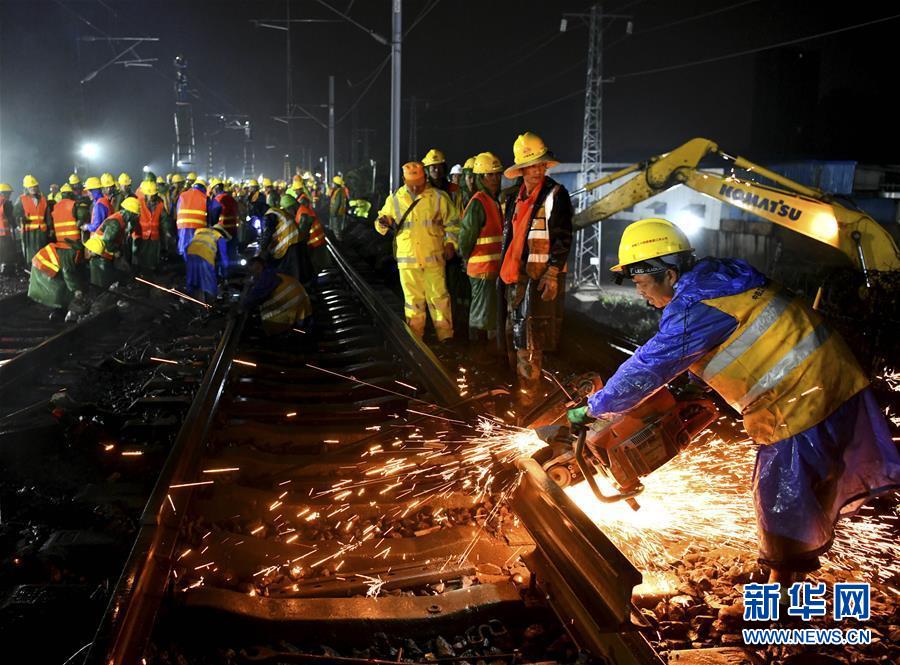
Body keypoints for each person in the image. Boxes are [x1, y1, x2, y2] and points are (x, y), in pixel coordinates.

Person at [567, 217, 900, 587]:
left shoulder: (695, 308)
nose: (642, 292)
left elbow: (649, 366)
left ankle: (781, 589)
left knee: (780, 492)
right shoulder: (721, 281)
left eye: (643, 282)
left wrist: (594, 407)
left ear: (670, 275)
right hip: (834, 378)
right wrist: (695, 385)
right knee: (809, 484)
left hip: (799, 398)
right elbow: (730, 340)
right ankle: (786, 570)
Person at [498, 132, 573, 409]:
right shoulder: (513, 198)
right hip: (513, 279)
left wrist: (553, 273)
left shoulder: (556, 194)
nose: (538, 168)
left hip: (537, 279)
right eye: (533, 164)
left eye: (542, 163)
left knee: (529, 344)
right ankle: (518, 394)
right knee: (513, 338)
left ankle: (530, 403)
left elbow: (564, 237)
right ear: (522, 169)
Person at [375, 161, 456, 341]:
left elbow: (453, 224)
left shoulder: (438, 197)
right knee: (413, 302)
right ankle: (416, 338)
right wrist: (383, 223)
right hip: (408, 261)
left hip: (434, 258)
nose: (415, 187)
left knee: (439, 299)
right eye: (411, 184)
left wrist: (451, 243)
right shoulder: (395, 199)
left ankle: (446, 336)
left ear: (425, 178)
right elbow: (380, 223)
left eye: (419, 183)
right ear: (404, 180)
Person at [458, 152, 504, 348]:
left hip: (491, 269)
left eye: (496, 174)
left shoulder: (492, 201)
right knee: (481, 316)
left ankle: (483, 355)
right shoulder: (479, 202)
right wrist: (467, 258)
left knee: (488, 314)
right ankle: (477, 357)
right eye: (488, 175)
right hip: (482, 269)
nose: (494, 179)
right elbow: (465, 239)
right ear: (479, 178)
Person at [244, 257, 312, 335]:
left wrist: (241, 306)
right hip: (303, 306)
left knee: (270, 324)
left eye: (252, 273)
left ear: (258, 267)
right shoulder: (276, 272)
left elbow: (255, 296)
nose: (252, 276)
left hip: (293, 311)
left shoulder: (266, 276)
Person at [83, 196, 140, 288]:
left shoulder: (121, 219)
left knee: (106, 283)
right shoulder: (115, 222)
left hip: (103, 255)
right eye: (135, 214)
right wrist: (116, 251)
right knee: (102, 285)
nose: (137, 217)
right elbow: (107, 241)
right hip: (101, 256)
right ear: (130, 213)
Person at [28, 239, 88, 315]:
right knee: (57, 287)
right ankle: (58, 309)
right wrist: (76, 290)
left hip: (43, 262)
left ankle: (59, 309)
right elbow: (67, 272)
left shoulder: (76, 249)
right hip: (42, 264)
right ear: (87, 250)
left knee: (63, 285)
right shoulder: (71, 253)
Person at [185, 222, 231, 303]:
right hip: (205, 256)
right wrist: (225, 275)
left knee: (193, 281)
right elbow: (224, 259)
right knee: (209, 284)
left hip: (190, 255)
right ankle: (210, 307)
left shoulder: (200, 231)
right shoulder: (219, 237)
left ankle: (193, 305)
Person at [258, 196, 300, 279]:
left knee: (285, 272)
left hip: (289, 242)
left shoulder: (268, 215)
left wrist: (262, 249)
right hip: (294, 239)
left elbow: (267, 234)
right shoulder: (275, 211)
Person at [14, 174, 50, 263]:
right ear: (26, 188)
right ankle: (31, 270)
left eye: (35, 186)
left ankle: (41, 271)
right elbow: (16, 213)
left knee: (42, 253)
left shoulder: (43, 199)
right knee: (31, 253)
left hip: (41, 230)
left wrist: (50, 228)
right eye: (31, 187)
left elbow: (47, 215)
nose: (33, 188)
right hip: (29, 231)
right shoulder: (21, 199)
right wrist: (20, 219)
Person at [133, 180, 167, 275]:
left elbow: (164, 219)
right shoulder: (139, 202)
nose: (152, 197)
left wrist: (167, 232)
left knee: (152, 259)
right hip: (141, 235)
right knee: (140, 257)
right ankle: (141, 274)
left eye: (153, 194)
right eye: (149, 194)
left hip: (154, 236)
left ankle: (150, 275)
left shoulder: (160, 203)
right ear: (145, 194)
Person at [295, 189, 330, 279]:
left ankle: (315, 281)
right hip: (316, 241)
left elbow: (303, 232)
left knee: (315, 265)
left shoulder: (302, 211)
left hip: (314, 242)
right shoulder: (303, 209)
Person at [208, 178, 239, 266]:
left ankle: (225, 273)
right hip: (233, 229)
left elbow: (213, 217)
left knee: (223, 254)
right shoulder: (231, 198)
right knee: (232, 252)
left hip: (222, 231)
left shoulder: (217, 200)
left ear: (215, 189)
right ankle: (233, 270)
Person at [175, 178, 209, 257]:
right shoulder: (205, 197)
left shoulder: (183, 195)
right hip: (198, 227)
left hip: (182, 226)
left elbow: (177, 210)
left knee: (184, 249)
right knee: (196, 251)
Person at [0, 183, 19, 274]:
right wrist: (16, 225)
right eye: (9, 193)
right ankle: (7, 268)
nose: (10, 195)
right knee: (7, 249)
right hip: (4, 232)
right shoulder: (6, 202)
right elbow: (11, 217)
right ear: (5, 193)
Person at [329, 175, 349, 240]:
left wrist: (333, 213)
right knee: (335, 228)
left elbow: (337, 204)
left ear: (336, 184)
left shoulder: (339, 192)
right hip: (337, 213)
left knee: (336, 229)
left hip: (336, 214)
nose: (332, 184)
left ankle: (338, 242)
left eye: (333, 183)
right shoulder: (338, 191)